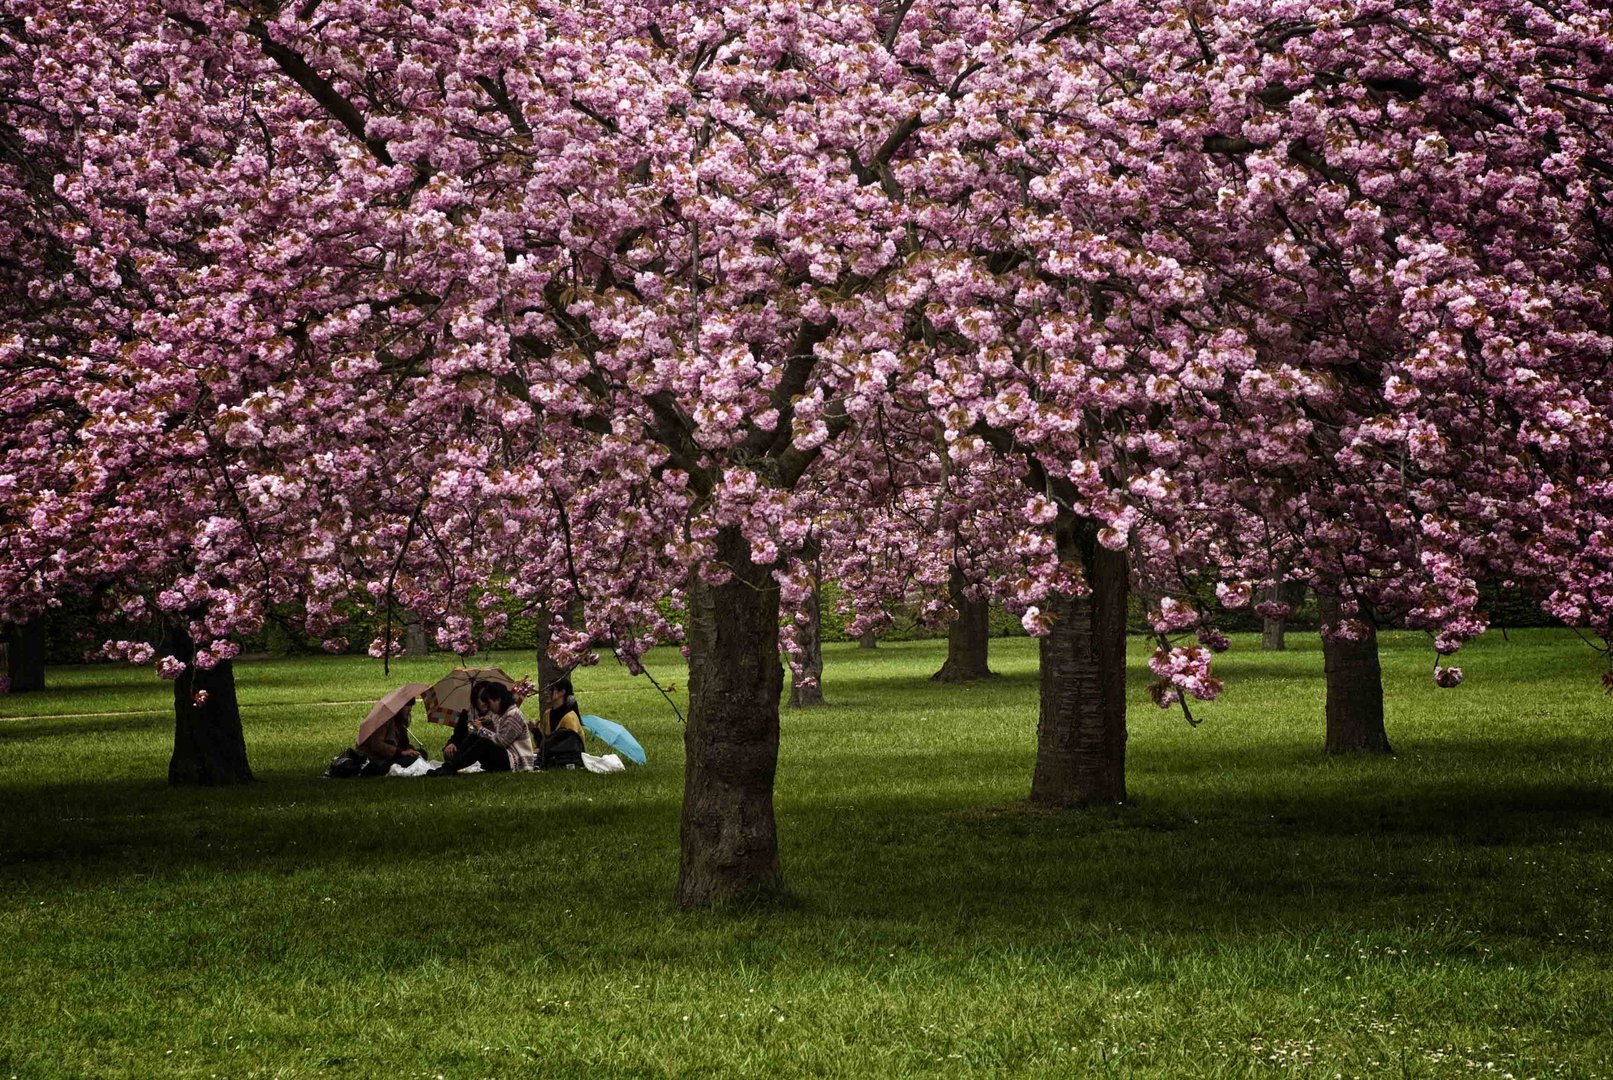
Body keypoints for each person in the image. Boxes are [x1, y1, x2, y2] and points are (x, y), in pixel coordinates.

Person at [429, 681, 534, 775]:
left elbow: (502, 742)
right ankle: (450, 766)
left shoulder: (513, 715)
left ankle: (451, 768)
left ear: (498, 699)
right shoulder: (501, 713)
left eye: (489, 703)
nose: (488, 707)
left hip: (516, 761)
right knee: (474, 737)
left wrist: (481, 729)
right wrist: (488, 725)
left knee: (482, 743)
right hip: (506, 757)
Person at [356, 701, 422, 775]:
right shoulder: (384, 720)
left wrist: (409, 749)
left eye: (411, 706)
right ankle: (382, 768)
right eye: (407, 706)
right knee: (413, 759)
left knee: (420, 753)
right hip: (377, 757)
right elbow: (377, 745)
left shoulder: (400, 720)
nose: (410, 709)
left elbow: (401, 743)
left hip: (392, 756)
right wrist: (401, 752)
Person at [534, 677, 585, 771]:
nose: (546, 693)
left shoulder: (570, 718)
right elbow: (545, 742)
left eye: (550, 690)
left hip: (565, 761)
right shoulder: (547, 714)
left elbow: (569, 747)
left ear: (561, 692)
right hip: (551, 758)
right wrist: (535, 731)